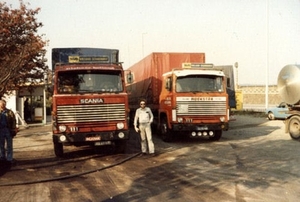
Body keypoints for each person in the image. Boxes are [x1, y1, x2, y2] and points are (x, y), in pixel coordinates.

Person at [0, 100, 17, 164]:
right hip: (1, 130)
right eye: (0, 105)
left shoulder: (10, 112)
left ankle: (9, 158)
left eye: (2, 104)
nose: (1, 106)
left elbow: (13, 121)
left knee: (9, 145)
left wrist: (13, 129)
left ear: (5, 105)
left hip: (8, 130)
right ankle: (2, 157)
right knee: (1, 145)